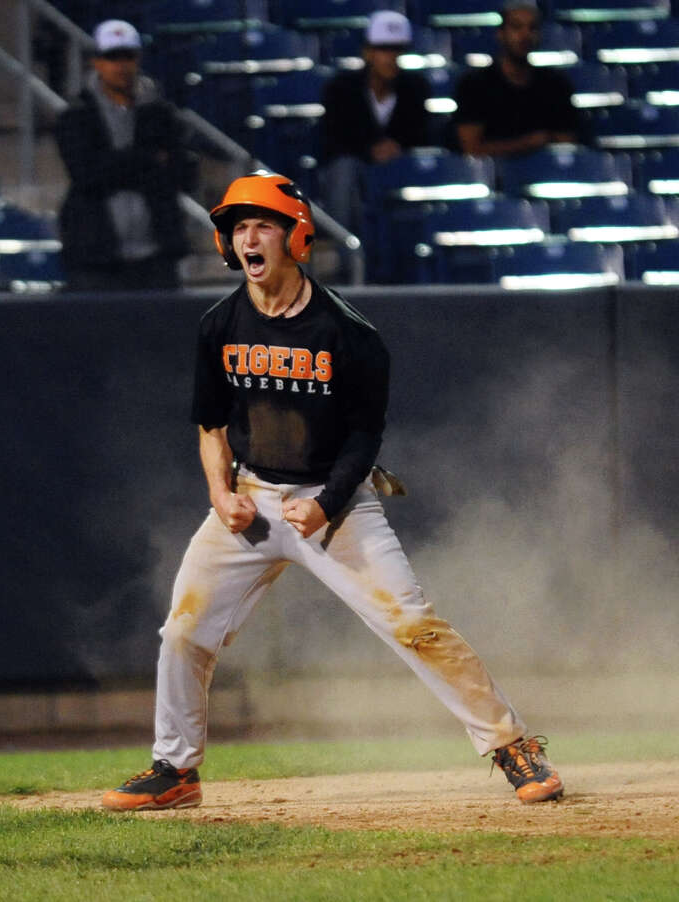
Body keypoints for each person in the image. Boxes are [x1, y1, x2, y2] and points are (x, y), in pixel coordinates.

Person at [101, 172, 563, 813]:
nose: (248, 238)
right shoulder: (219, 324)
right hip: (253, 498)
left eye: (262, 224)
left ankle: (512, 745)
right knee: (182, 632)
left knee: (415, 626)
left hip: (336, 500)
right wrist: (219, 492)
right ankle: (175, 770)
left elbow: (364, 437)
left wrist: (325, 504)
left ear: (297, 238)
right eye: (238, 228)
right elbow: (210, 425)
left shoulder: (349, 333)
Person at [55, 18, 196, 292]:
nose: (121, 65)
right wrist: (149, 160)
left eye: (127, 56)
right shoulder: (76, 116)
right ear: (97, 61)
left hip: (156, 256)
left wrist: (114, 163)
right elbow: (86, 174)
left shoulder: (161, 114)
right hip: (96, 256)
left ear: (138, 59)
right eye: (112, 57)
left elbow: (182, 174)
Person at [319, 10, 431, 239]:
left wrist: (397, 147)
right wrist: (369, 150)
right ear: (368, 52)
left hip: (400, 164)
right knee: (344, 170)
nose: (390, 57)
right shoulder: (341, 88)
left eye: (396, 49)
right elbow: (332, 138)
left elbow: (423, 134)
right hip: (356, 164)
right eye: (383, 49)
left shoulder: (416, 88)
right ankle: (348, 252)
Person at [452, 0, 580, 158]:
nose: (525, 35)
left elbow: (566, 147)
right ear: (500, 33)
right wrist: (529, 143)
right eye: (516, 27)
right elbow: (471, 150)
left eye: (532, 28)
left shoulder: (556, 85)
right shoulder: (474, 85)